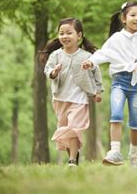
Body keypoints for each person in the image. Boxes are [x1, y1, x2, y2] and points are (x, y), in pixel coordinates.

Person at [82, 1, 137, 166]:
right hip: (119, 82)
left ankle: (134, 154)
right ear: (123, 18)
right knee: (116, 114)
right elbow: (104, 53)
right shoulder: (116, 38)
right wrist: (91, 62)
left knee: (136, 121)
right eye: (133, 15)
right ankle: (115, 151)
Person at [40, 17, 103, 167]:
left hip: (79, 100)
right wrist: (53, 73)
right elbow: (47, 70)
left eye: (69, 33)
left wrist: (98, 91)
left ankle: (72, 160)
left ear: (79, 35)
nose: (65, 36)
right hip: (60, 99)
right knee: (66, 129)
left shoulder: (86, 56)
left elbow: (96, 73)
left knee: (74, 128)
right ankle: (73, 155)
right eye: (61, 33)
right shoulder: (56, 55)